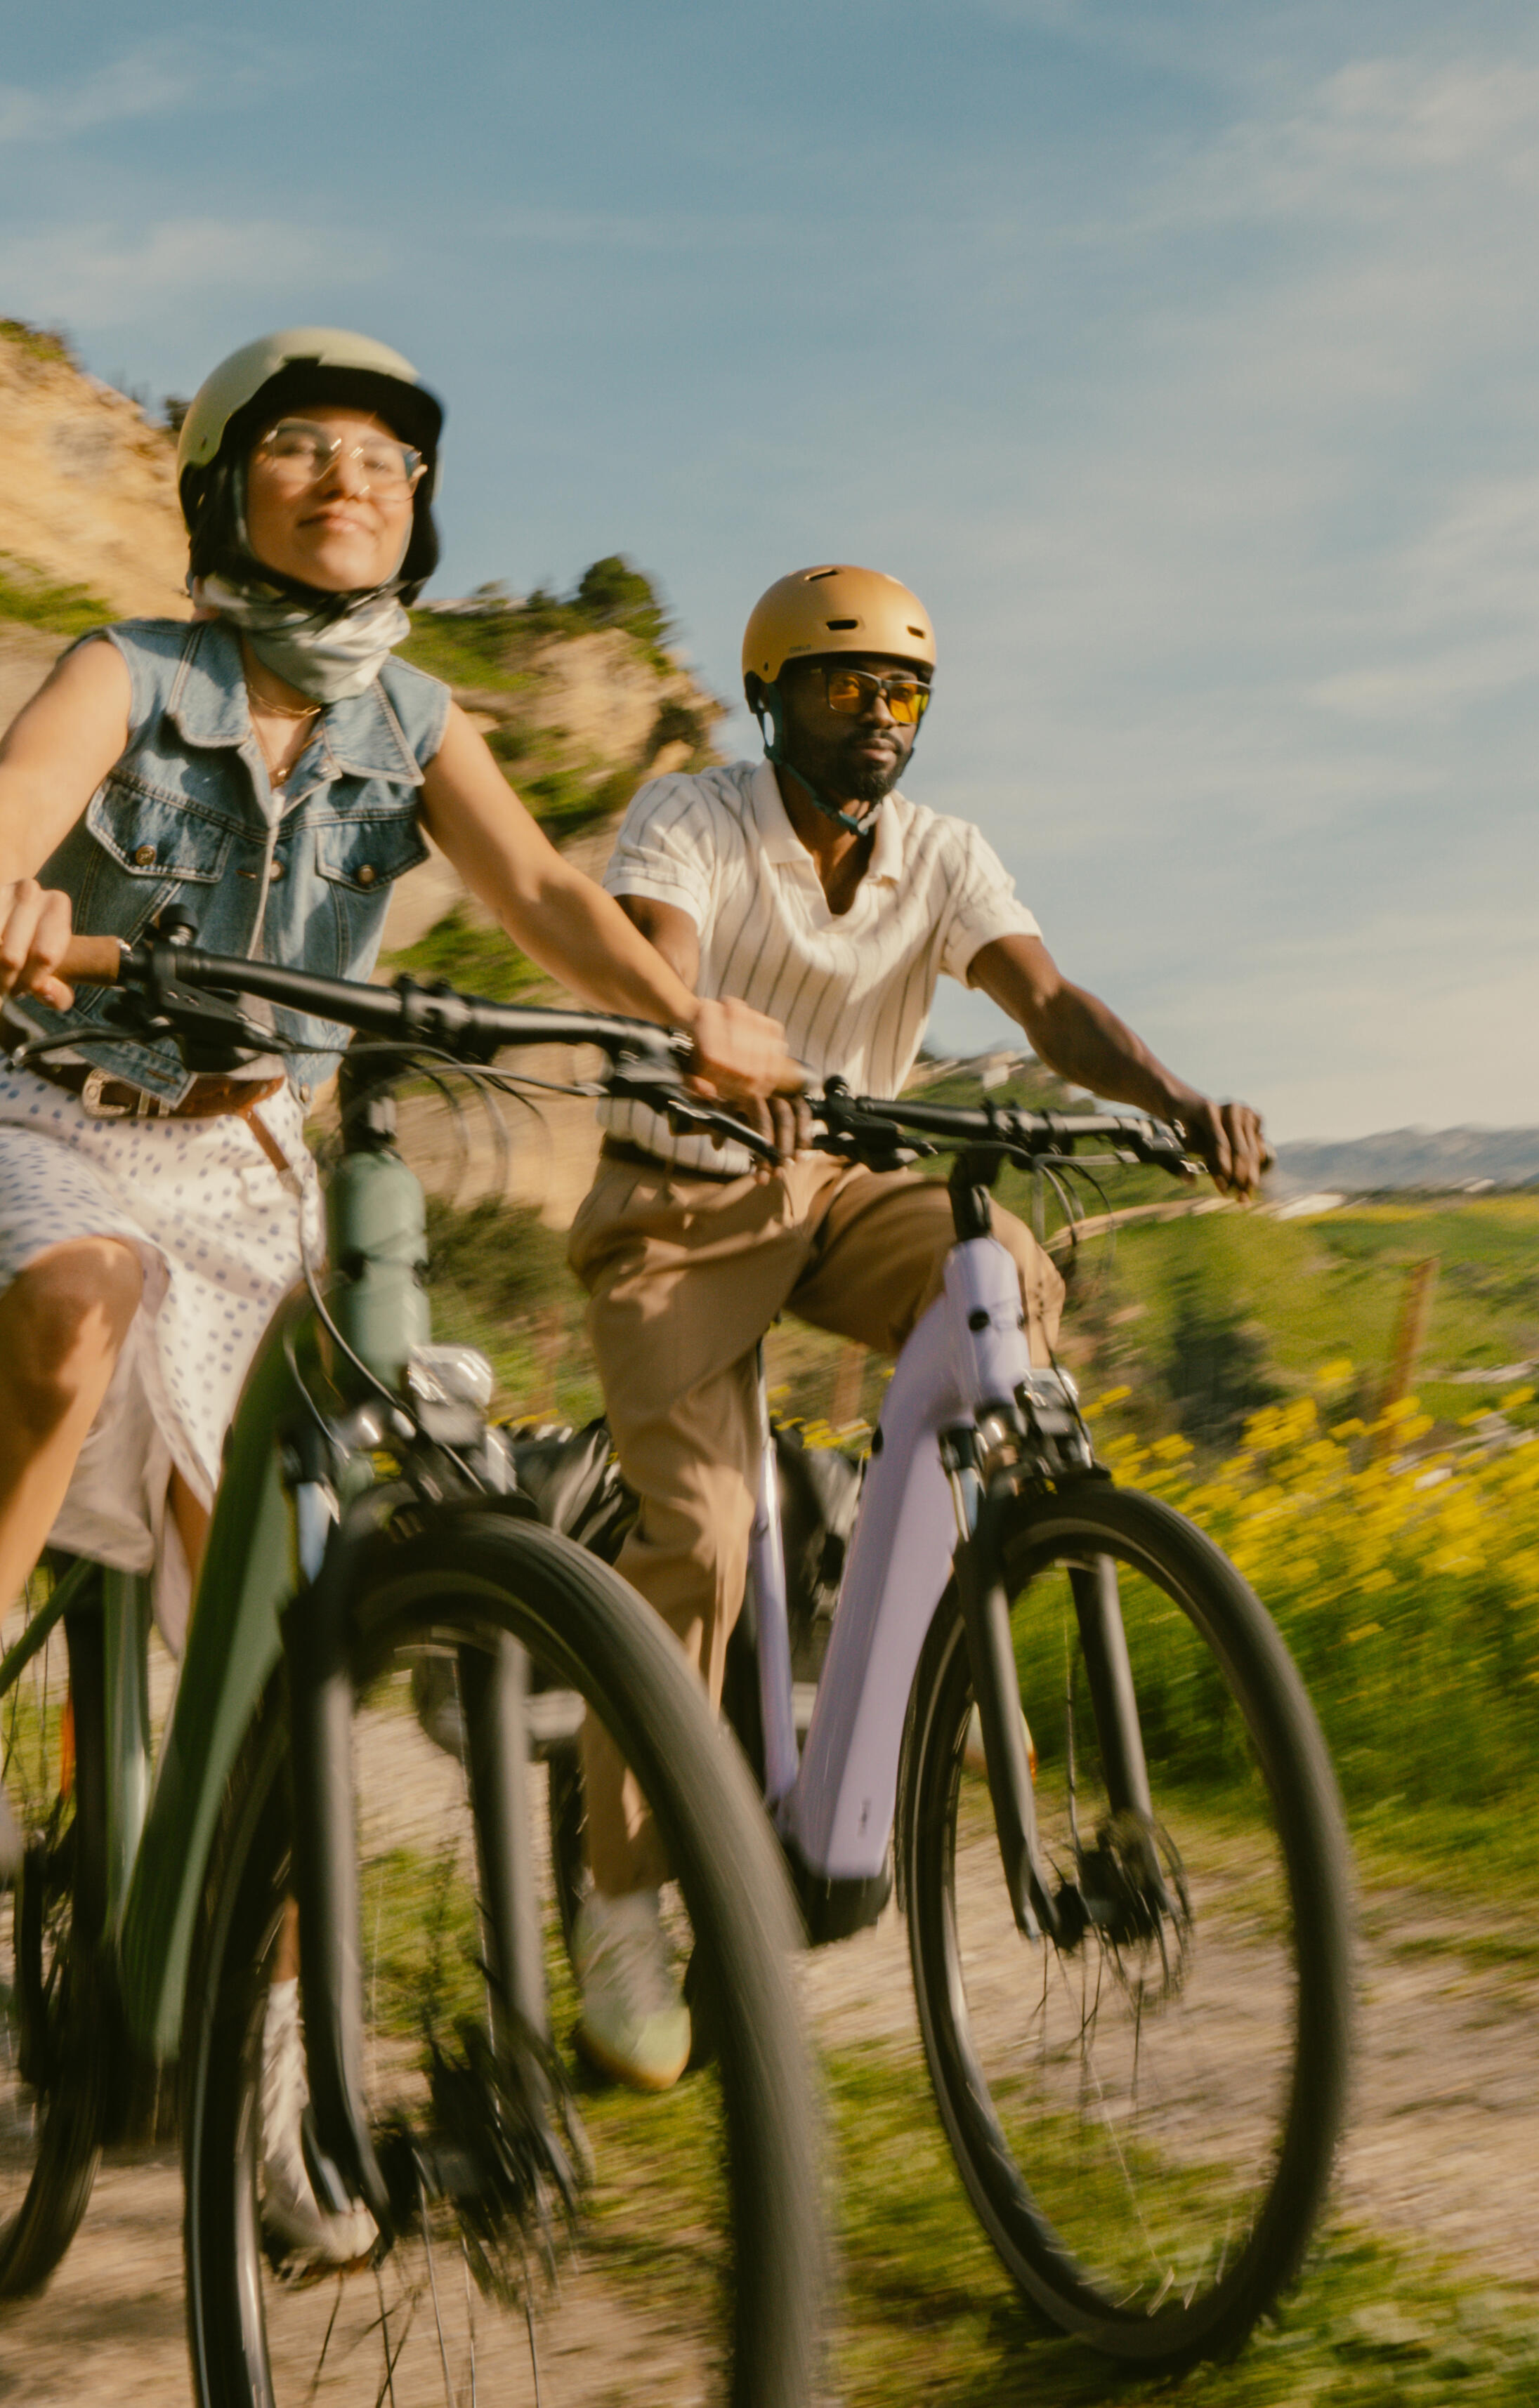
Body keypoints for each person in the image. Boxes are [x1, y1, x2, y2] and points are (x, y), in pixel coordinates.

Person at [0, 327, 796, 2256]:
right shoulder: (134, 667)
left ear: (419, 511)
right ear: (226, 489)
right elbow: (13, 806)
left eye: (385, 457)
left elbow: (541, 894)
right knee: (79, 1288)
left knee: (275, 1665)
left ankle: (278, 2092)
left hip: (250, 1163)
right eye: (301, 448)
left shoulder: (425, 720)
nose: (350, 478)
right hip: (46, 1115)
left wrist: (686, 1013)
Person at [565, 562, 1269, 2091]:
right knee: (691, 1535)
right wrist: (696, 1040)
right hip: (679, 1201)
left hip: (836, 1183)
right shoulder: (692, 818)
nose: (877, 714)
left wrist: (1170, 1097)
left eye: (903, 691)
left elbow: (1049, 1001)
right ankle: (619, 1907)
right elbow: (655, 958)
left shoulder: (942, 853)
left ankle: (930, 1619)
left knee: (999, 1273)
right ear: (772, 697)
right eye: (841, 685)